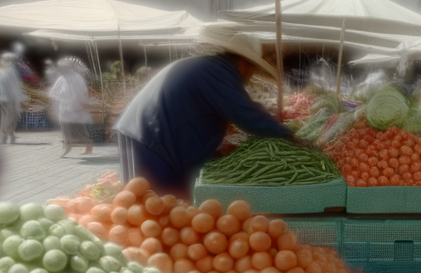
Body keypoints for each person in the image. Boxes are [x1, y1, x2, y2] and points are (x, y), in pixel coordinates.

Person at [113, 24, 292, 198]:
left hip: (146, 134)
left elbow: (197, 112)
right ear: (244, 62)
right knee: (161, 208)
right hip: (152, 141)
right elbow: (247, 113)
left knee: (159, 206)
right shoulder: (218, 71)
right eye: (253, 69)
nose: (250, 77)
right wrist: (287, 135)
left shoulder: (207, 67)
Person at [49, 57, 95, 157]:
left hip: (76, 109)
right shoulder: (61, 78)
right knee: (65, 129)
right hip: (64, 109)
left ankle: (88, 145)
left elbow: (82, 92)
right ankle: (67, 147)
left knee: (79, 131)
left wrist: (80, 104)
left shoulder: (77, 77)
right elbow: (54, 91)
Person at [0, 52, 24, 144]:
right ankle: (8, 135)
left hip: (3, 98)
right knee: (11, 117)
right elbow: (15, 86)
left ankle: (7, 135)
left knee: (6, 117)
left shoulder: (2, 70)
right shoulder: (12, 71)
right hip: (11, 98)